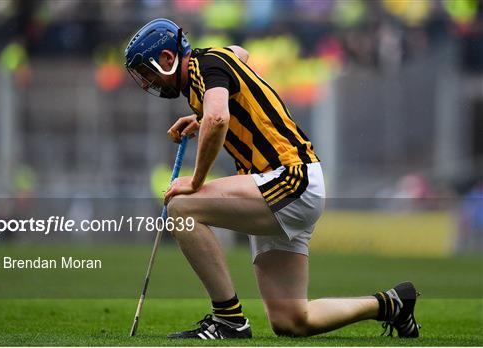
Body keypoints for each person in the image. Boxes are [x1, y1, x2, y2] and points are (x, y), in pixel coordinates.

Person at [124, 18, 420, 340]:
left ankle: (228, 320)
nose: (146, 83)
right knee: (291, 320)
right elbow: (241, 55)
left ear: (167, 59)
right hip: (282, 189)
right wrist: (201, 115)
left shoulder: (205, 65)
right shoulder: (212, 69)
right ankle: (391, 305)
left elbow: (219, 117)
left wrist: (196, 179)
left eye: (147, 72)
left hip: (290, 180)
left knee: (183, 206)